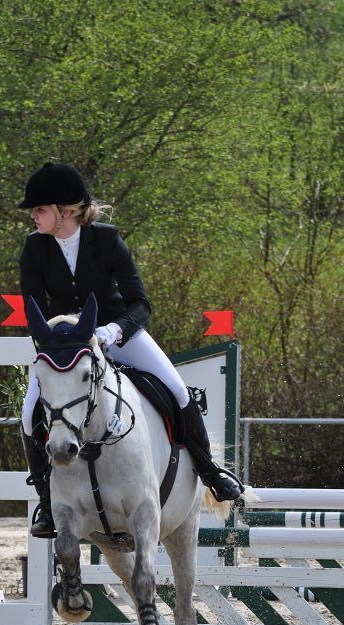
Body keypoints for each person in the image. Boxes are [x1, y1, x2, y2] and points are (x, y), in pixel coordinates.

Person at [17, 161, 244, 536]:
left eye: (39, 209)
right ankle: (46, 501)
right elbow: (34, 311)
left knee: (178, 390)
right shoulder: (34, 248)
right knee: (29, 415)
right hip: (66, 349)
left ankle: (211, 472)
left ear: (66, 211)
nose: (33, 216)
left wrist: (114, 330)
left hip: (117, 334)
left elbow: (140, 304)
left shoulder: (106, 240)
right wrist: (55, 344)